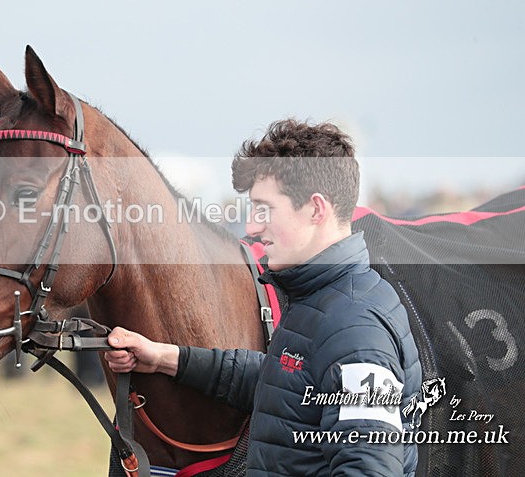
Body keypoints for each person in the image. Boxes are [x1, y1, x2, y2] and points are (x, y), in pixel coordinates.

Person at [105, 119, 422, 476]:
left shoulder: (356, 331)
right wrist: (166, 358)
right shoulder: (323, 302)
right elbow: (283, 383)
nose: (252, 227)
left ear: (316, 209)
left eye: (264, 209)